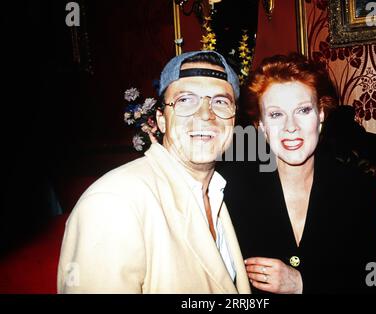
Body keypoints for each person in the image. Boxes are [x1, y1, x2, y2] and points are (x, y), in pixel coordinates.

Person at [57, 50, 251, 294]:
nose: (205, 114)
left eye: (220, 102)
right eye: (185, 100)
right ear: (161, 120)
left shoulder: (217, 192)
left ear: (233, 122)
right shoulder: (114, 203)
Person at [222, 53, 376, 294]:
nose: (291, 127)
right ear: (261, 126)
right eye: (276, 114)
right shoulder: (230, 189)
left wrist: (303, 284)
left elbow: (373, 281)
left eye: (303, 110)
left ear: (320, 115)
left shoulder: (357, 189)